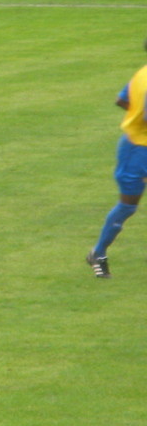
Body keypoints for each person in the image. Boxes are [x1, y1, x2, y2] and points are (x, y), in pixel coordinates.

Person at [86, 42, 147, 278]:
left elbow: (121, 99)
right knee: (128, 206)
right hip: (138, 151)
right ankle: (98, 253)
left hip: (136, 144)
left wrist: (133, 115)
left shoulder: (141, 73)